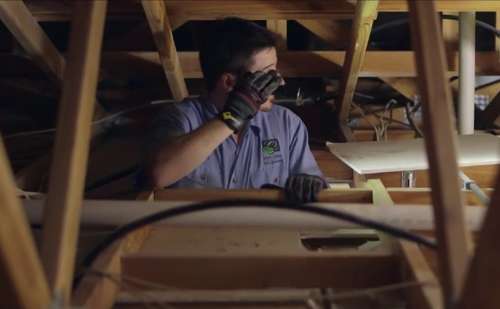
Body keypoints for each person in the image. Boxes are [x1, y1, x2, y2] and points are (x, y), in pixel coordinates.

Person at [144, 17, 327, 202]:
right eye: (269, 73)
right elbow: (160, 175)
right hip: (195, 231)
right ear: (229, 82)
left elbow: (313, 186)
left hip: (266, 230)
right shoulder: (180, 118)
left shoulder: (287, 125)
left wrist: (310, 184)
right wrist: (233, 116)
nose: (280, 82)